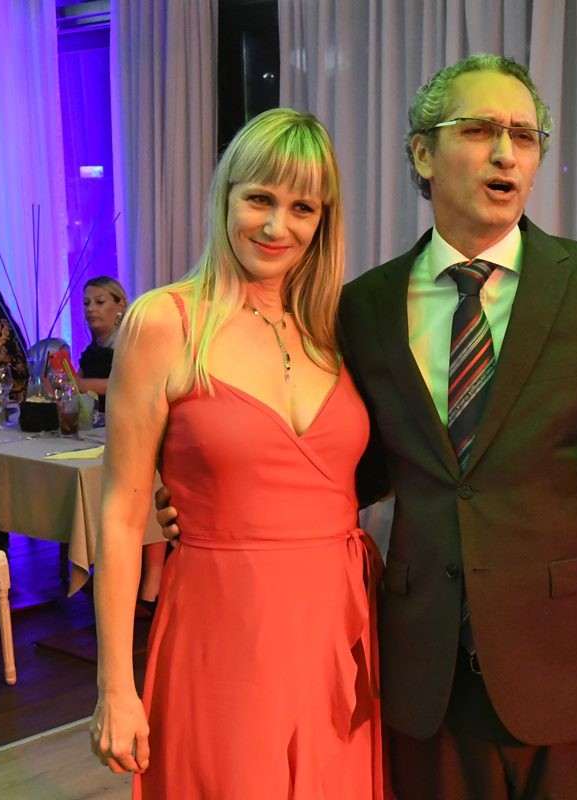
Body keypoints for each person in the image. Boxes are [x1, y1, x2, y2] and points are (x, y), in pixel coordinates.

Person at [159, 55, 577, 798]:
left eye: (524, 136)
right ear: (423, 153)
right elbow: (351, 470)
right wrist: (221, 499)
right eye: (479, 130)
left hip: (576, 673)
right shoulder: (363, 307)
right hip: (425, 678)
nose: (505, 153)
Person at [90, 108, 385, 798]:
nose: (277, 225)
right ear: (225, 197)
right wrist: (115, 686)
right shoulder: (165, 321)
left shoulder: (332, 328)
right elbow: (122, 516)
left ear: (323, 221)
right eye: (259, 198)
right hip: (224, 630)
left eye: (302, 207)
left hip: (338, 633)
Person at [75, 277, 165, 613]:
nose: (91, 309)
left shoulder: (131, 342)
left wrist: (81, 384)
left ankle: (154, 579)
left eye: (99, 302)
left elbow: (129, 384)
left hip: (142, 428)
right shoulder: (93, 348)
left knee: (147, 486)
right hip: (105, 430)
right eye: (87, 303)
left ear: (120, 306)